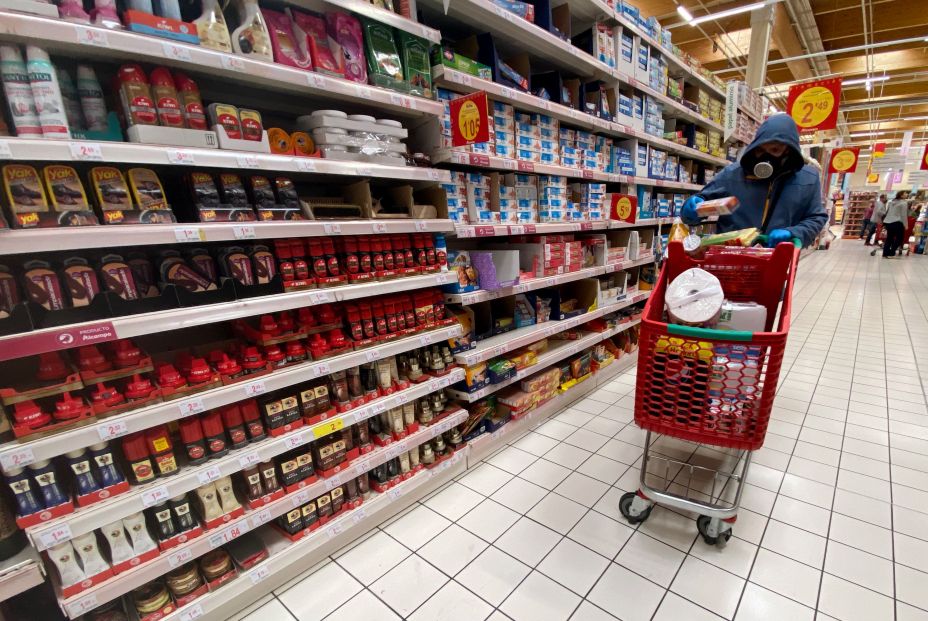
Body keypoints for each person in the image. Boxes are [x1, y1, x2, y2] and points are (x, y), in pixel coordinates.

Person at [681, 114, 827, 247]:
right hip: (730, 258)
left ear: (789, 150)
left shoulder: (808, 179)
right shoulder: (732, 174)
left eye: (775, 150)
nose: (765, 157)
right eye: (760, 150)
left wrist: (793, 233)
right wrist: (691, 209)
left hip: (776, 259)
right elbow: (697, 209)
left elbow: (816, 217)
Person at [881, 191, 909, 258]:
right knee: (900, 239)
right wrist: (906, 225)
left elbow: (888, 212)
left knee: (889, 238)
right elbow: (903, 215)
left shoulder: (891, 202)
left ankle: (885, 253)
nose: (907, 194)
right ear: (901, 195)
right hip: (897, 222)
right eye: (905, 193)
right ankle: (891, 253)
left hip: (888, 222)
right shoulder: (904, 203)